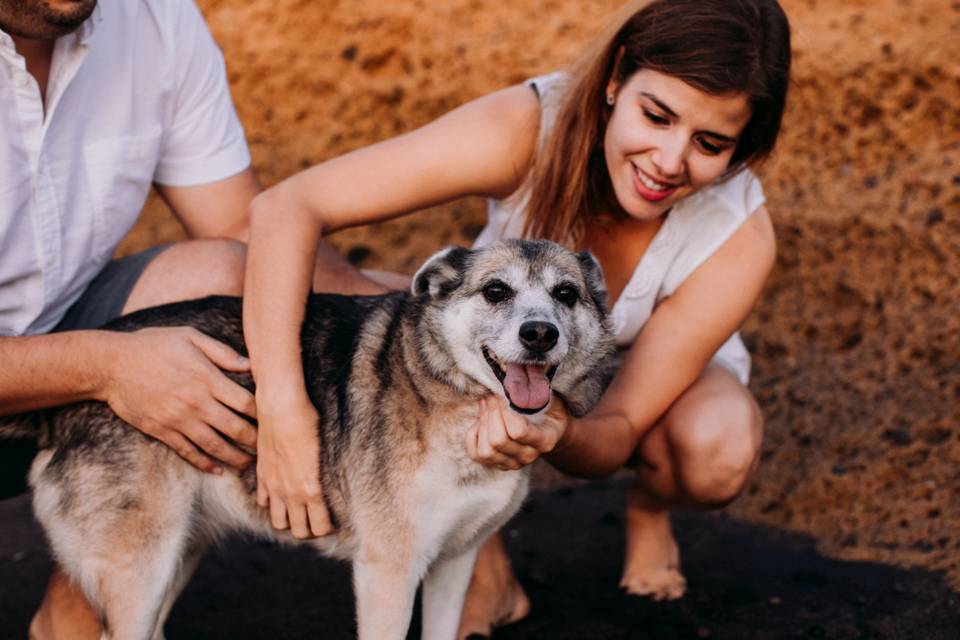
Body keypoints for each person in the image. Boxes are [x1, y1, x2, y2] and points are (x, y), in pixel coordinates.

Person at [244, 0, 791, 637]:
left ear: (741, 149)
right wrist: (285, 408)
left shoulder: (739, 235)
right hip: (502, 344)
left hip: (643, 378)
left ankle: (649, 511)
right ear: (616, 79)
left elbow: (616, 426)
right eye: (656, 114)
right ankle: (478, 553)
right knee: (244, 273)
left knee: (715, 447)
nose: (669, 161)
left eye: (710, 143)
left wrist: (559, 431)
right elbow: (287, 207)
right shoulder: (530, 124)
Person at [0, 0, 362, 637]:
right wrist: (107, 365)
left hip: (60, 353)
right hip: (66, 366)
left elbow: (241, 232)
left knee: (229, 281)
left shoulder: (154, 17)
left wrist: (425, 360)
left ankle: (77, 617)